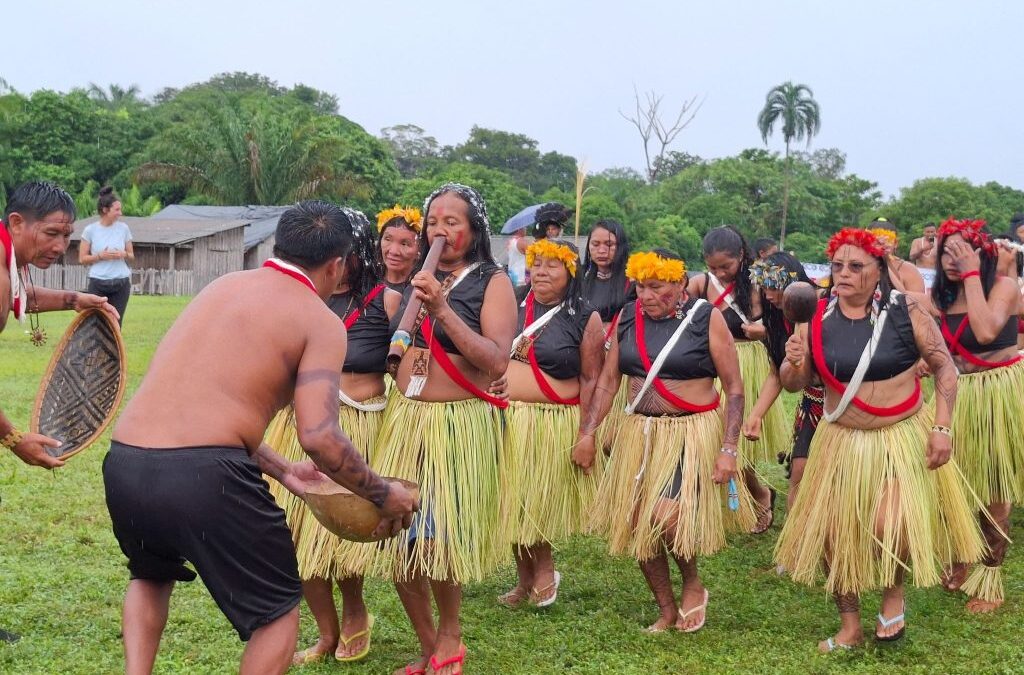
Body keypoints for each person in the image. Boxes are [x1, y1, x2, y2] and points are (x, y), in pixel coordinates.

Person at [102, 200, 417, 675]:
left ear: (277, 245)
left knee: (150, 574)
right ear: (337, 265)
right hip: (205, 476)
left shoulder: (222, 287)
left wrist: (285, 470)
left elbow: (206, 406)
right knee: (276, 616)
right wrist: (383, 492)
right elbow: (320, 436)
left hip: (125, 462)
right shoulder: (319, 319)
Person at [775, 227, 983, 652]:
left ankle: (893, 593)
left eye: (856, 266)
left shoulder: (907, 310)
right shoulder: (815, 316)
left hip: (896, 438)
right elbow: (794, 384)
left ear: (879, 269)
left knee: (889, 525)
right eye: (837, 266)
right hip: (839, 441)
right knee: (833, 534)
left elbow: (944, 369)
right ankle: (849, 624)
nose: (844, 274)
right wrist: (793, 362)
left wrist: (942, 426)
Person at [369, 183, 517, 675]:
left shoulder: (492, 281)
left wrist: (442, 310)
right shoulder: (418, 274)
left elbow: (496, 359)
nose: (440, 231)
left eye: (453, 222)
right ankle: (431, 645)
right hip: (406, 419)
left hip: (457, 424)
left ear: (474, 229)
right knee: (397, 533)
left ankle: (451, 635)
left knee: (440, 539)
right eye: (433, 222)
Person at [262, 210, 402, 665]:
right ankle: (325, 632)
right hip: (298, 427)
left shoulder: (388, 301)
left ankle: (356, 612)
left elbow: (405, 365)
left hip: (353, 429)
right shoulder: (299, 298)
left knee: (343, 532)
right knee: (298, 536)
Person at [591, 249, 754, 633]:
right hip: (639, 434)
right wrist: (590, 432)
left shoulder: (705, 318)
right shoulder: (628, 316)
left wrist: (729, 449)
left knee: (665, 517)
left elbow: (733, 389)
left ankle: (693, 584)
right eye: (641, 287)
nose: (646, 295)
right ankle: (665, 607)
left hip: (688, 432)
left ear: (680, 284)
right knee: (636, 523)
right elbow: (608, 381)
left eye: (656, 287)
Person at [0, 180, 116, 644]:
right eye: (50, 234)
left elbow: (22, 298)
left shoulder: (11, 261)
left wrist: (72, 299)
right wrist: (13, 440)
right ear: (16, 223)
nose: (60, 246)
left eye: (66, 236)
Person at [493, 239, 605, 609]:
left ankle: (545, 571)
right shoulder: (512, 304)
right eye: (536, 263)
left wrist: (586, 433)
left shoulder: (584, 316)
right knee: (510, 497)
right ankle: (523, 579)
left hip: (550, 421)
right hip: (508, 417)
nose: (540, 271)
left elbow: (591, 378)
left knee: (535, 499)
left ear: (571, 272)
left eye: (551, 265)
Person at [929, 219, 1024, 614]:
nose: (953, 260)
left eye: (962, 252)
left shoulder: (1002, 286)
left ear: (980, 254)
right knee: (958, 482)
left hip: (998, 391)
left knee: (994, 488)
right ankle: (963, 554)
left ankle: (990, 575)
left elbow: (985, 331)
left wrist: (972, 273)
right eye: (946, 253)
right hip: (960, 393)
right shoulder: (940, 296)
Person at [687, 225, 780, 534]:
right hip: (711, 367)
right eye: (713, 267)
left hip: (748, 365)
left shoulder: (762, 281)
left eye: (726, 266)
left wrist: (763, 330)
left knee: (741, 444)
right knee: (715, 439)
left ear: (742, 255)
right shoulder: (699, 284)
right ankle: (717, 507)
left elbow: (790, 322)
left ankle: (761, 495)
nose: (720, 273)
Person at [743, 252, 822, 510]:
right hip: (812, 404)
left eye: (774, 288)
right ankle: (799, 543)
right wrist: (756, 414)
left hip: (842, 405)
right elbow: (777, 373)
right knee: (799, 474)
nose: (768, 295)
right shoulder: (777, 319)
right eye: (764, 289)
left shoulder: (825, 309)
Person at [579, 219, 635, 452]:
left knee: (612, 438)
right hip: (585, 364)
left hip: (616, 367)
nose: (602, 251)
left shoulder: (633, 282)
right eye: (595, 244)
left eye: (609, 245)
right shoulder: (578, 280)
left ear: (620, 246)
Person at [79, 186, 133, 325]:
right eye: (117, 210)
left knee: (115, 323)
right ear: (105, 210)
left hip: (121, 283)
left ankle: (113, 347)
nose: (120, 213)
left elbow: (131, 256)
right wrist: (100, 256)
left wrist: (123, 254)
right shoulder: (90, 230)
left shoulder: (124, 228)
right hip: (98, 283)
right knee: (94, 322)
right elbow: (82, 259)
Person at [870, 219, 925, 293]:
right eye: (875, 240)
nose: (881, 244)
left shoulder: (908, 269)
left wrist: (886, 261)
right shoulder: (859, 265)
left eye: (887, 240)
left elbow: (917, 301)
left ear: (895, 243)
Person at [377, 204, 422, 291]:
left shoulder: (422, 290)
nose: (394, 251)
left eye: (404, 244)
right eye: (388, 239)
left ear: (419, 250)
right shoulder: (365, 282)